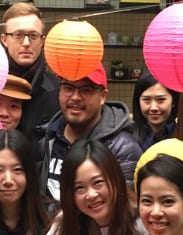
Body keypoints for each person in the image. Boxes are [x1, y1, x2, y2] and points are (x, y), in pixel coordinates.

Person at [39, 64, 142, 200]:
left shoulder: (122, 148)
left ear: (102, 96)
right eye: (68, 88)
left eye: (86, 90)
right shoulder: (46, 138)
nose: (75, 97)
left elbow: (125, 209)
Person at [0, 2, 59, 138]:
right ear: (4, 39)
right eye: (18, 35)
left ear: (42, 40)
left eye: (33, 36)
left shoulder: (59, 90)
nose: (26, 43)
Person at [132, 71, 180, 151]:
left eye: (161, 99)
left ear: (173, 101)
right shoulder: (128, 138)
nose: (154, 108)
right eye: (146, 100)